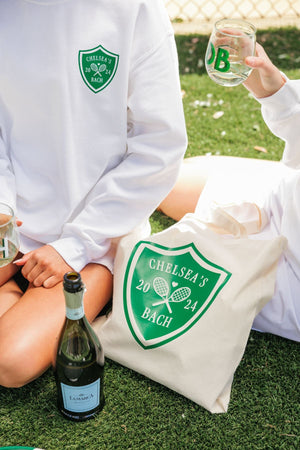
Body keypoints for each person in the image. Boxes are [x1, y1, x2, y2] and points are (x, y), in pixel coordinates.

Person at [0, 0, 187, 388]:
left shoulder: (135, 9)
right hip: (13, 224)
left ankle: (27, 301)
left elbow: (160, 148)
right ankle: (18, 296)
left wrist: (76, 244)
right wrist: (2, 204)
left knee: (10, 363)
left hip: (96, 240)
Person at [159, 43, 300, 342]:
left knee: (157, 267)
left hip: (289, 276)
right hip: (285, 196)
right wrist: (273, 90)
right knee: (169, 181)